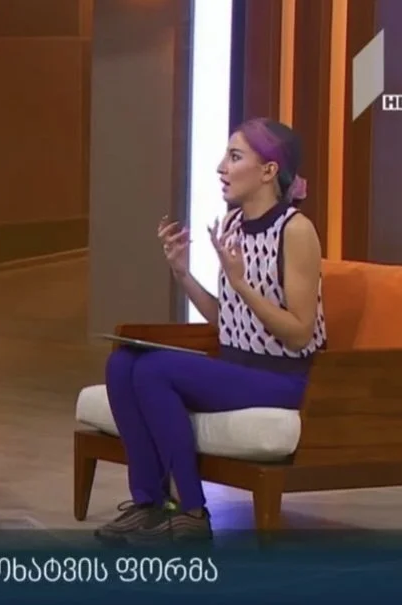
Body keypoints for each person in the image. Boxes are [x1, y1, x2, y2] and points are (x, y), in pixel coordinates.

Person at [96, 118, 326, 544]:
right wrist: (183, 274)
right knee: (122, 363)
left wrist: (240, 283)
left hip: (284, 378)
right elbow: (230, 320)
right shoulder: (234, 223)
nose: (221, 167)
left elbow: (298, 333)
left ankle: (191, 510)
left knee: (154, 371)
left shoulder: (295, 230)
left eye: (235, 157)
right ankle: (148, 504)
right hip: (238, 365)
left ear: (269, 171)